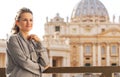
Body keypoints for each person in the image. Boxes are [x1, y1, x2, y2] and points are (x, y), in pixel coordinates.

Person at [6, 7, 50, 77]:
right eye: (25, 20)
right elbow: (23, 62)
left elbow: (45, 63)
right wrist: (41, 68)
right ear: (17, 22)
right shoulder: (12, 39)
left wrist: (39, 43)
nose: (29, 23)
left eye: (31, 20)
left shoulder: (34, 42)